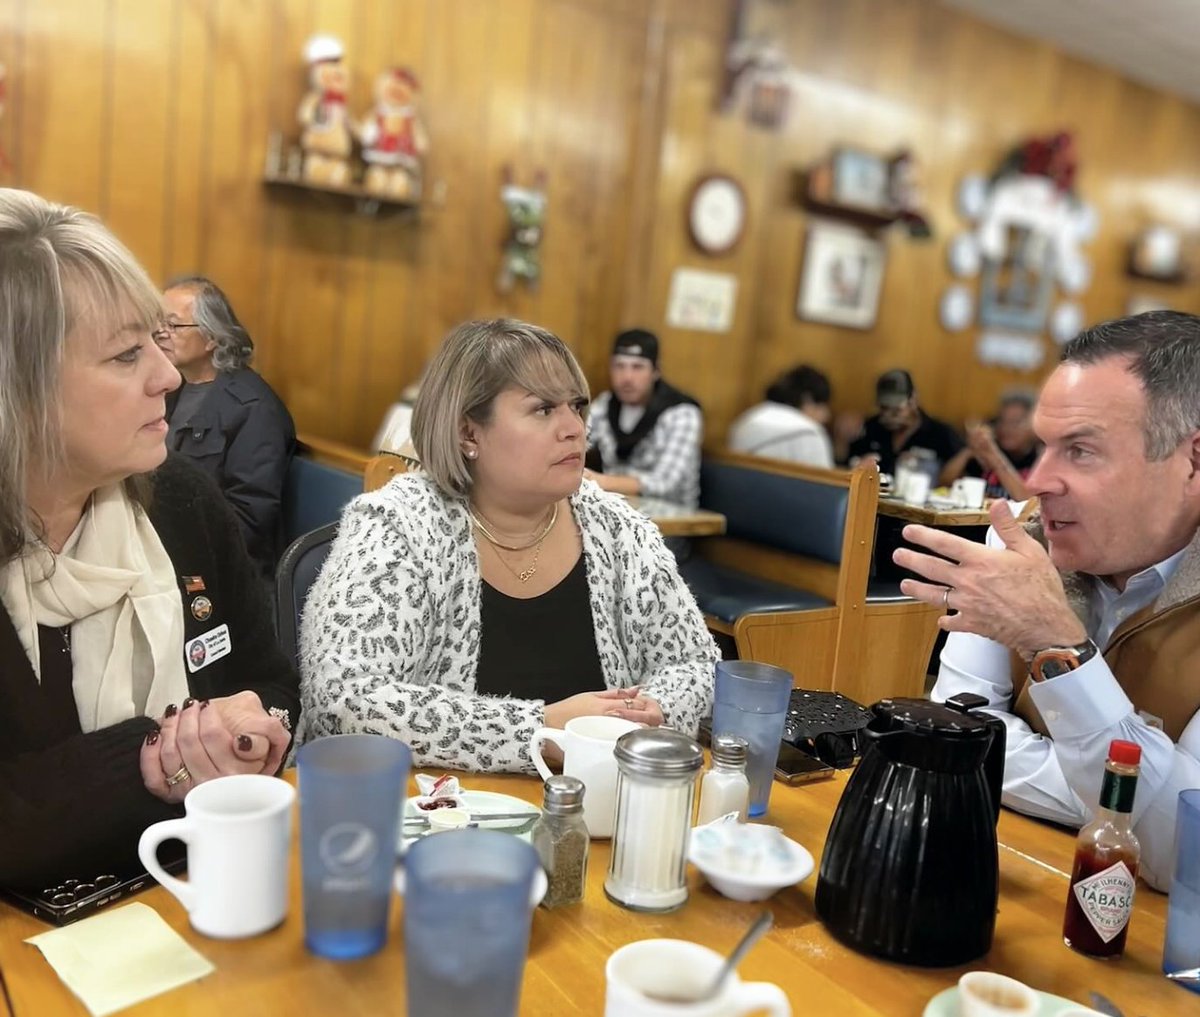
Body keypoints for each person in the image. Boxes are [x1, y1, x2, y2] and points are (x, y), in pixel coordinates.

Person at [0, 190, 297, 889]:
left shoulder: (183, 501)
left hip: (191, 892)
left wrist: (253, 728)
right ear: (21, 389)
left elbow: (271, 679)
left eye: (159, 344)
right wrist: (154, 759)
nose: (166, 378)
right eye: (126, 355)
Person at [299, 319, 718, 772]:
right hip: (438, 821)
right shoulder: (398, 527)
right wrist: (539, 730)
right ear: (468, 433)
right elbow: (342, 700)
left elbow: (699, 665)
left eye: (577, 406)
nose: (575, 428)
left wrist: (652, 709)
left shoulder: (619, 529)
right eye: (543, 409)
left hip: (595, 812)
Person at [895, 311, 1200, 890]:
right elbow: (961, 733)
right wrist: (1119, 797)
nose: (1037, 481)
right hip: (1003, 868)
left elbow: (1187, 852)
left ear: (1193, 461)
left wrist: (1059, 649)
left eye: (1081, 451)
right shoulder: (1022, 539)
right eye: (1044, 446)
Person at [161, 276, 295, 579]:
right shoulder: (167, 390)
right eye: (157, 323)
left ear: (212, 338)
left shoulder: (253, 408)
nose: (160, 334)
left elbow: (248, 520)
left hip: (221, 572)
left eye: (173, 325)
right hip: (163, 553)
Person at [584, 328, 703, 507]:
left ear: (656, 371)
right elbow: (577, 441)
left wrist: (597, 480)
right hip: (618, 508)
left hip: (672, 519)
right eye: (619, 366)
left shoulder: (682, 413)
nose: (627, 377)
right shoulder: (606, 403)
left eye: (638, 367)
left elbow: (665, 483)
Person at [848, 369, 964, 481]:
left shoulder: (940, 433)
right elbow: (847, 464)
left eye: (896, 410)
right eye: (884, 408)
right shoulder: (871, 427)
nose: (889, 416)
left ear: (913, 400)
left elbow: (960, 476)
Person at [727, 365, 833, 468]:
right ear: (807, 399)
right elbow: (825, 482)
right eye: (823, 406)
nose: (826, 416)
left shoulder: (744, 420)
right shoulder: (809, 433)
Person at [942, 389, 1041, 500]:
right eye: (1003, 421)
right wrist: (970, 450)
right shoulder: (987, 452)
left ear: (1034, 425)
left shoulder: (1041, 459)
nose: (1007, 429)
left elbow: (1027, 500)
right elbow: (944, 484)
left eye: (1015, 422)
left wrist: (993, 455)